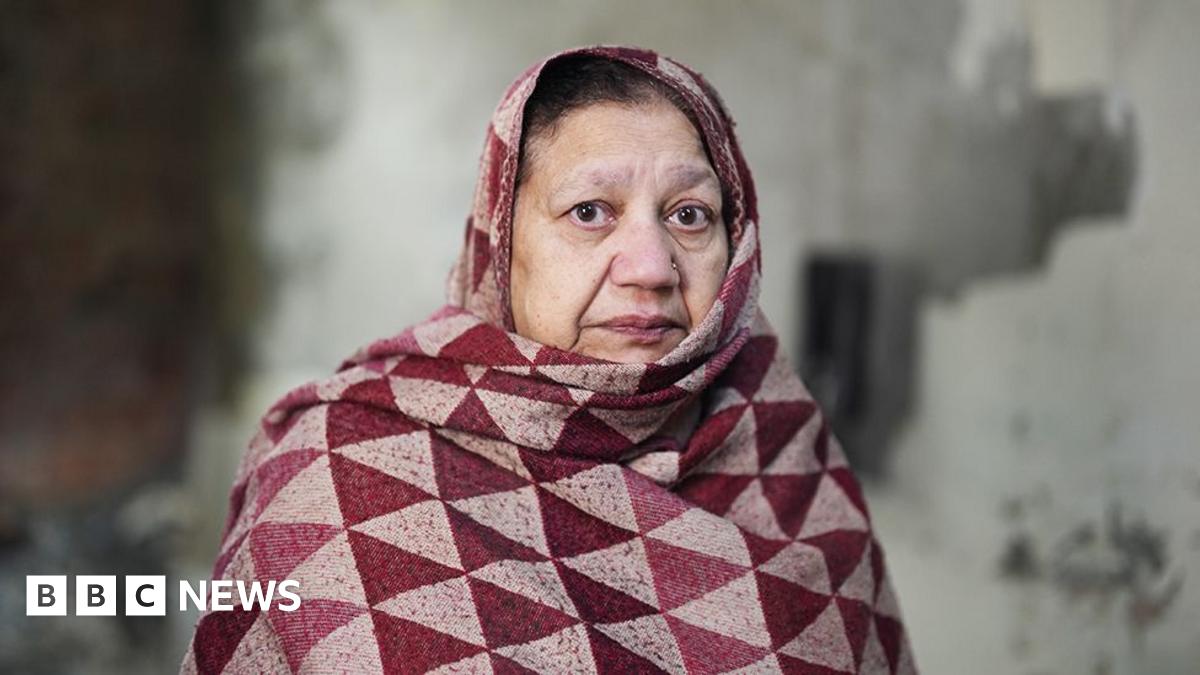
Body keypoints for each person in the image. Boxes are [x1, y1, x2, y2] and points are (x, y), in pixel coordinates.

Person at [181, 45, 915, 674]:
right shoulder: (342, 472)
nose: (652, 266)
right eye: (589, 211)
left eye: (690, 214)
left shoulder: (788, 464)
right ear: (503, 243)